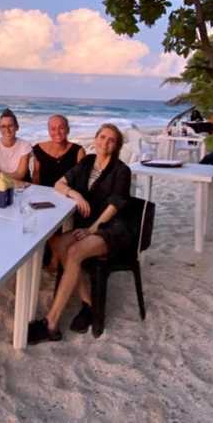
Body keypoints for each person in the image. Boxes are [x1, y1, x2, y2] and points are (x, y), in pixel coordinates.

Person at [28, 123, 133, 344]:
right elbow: (59, 184)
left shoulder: (121, 170)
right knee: (56, 243)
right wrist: (75, 194)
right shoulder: (86, 162)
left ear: (116, 146)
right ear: (96, 139)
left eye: (111, 140)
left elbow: (114, 205)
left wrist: (93, 228)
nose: (105, 142)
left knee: (74, 252)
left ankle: (51, 323)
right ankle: (89, 305)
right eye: (102, 137)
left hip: (111, 230)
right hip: (87, 227)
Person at [31, 114, 86, 188]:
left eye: (61, 128)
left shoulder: (78, 151)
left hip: (68, 194)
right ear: (49, 131)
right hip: (44, 194)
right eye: (53, 129)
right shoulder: (37, 149)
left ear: (68, 130)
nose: (57, 132)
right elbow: (36, 176)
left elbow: (81, 181)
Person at [0, 108, 32, 181]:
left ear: (17, 127)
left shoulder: (25, 145)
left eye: (10, 126)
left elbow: (20, 174)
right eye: (3, 126)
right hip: (0, 185)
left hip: (20, 185)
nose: (7, 130)